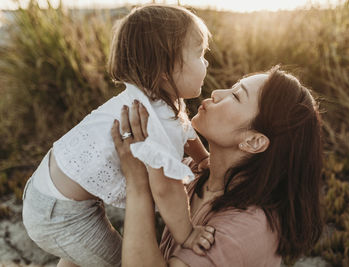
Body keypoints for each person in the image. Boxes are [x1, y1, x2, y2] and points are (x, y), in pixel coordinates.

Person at [22, 4, 214, 267]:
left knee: (82, 256)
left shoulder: (156, 97)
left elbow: (185, 128)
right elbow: (166, 188)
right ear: (165, 69)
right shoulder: (152, 117)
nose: (206, 62)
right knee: (119, 261)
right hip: (62, 215)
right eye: (199, 54)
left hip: (50, 194)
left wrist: (202, 157)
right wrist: (188, 233)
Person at [111, 66, 324, 267]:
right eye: (232, 88)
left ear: (253, 141)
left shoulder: (244, 230)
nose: (216, 93)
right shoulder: (199, 173)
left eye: (236, 96)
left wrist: (137, 184)